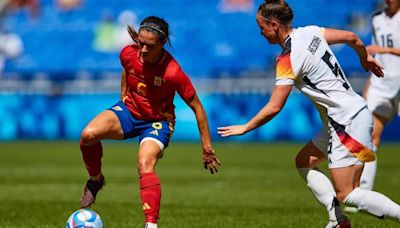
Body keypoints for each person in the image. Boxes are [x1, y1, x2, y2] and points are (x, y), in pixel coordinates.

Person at [218, 1, 400, 227]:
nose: (260, 32)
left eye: (261, 26)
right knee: (304, 162)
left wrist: (245, 127)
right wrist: (364, 57)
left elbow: (275, 106)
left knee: (348, 194)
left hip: (346, 121)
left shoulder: (288, 58)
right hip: (345, 116)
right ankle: (338, 220)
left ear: (274, 25)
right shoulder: (311, 31)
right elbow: (352, 37)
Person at [79, 16, 221, 228]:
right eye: (140, 43)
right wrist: (124, 97)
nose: (143, 50)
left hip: (157, 122)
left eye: (149, 46)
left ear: (162, 44)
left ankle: (151, 224)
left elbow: (198, 107)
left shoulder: (173, 72)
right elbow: (128, 70)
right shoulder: (128, 53)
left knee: (144, 163)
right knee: (88, 135)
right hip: (130, 111)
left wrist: (207, 147)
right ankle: (96, 179)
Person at [359, 0, 400, 195]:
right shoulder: (376, 19)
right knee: (369, 136)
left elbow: (381, 50)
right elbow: (376, 56)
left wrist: (386, 50)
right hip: (381, 83)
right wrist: (369, 83)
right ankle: (364, 192)